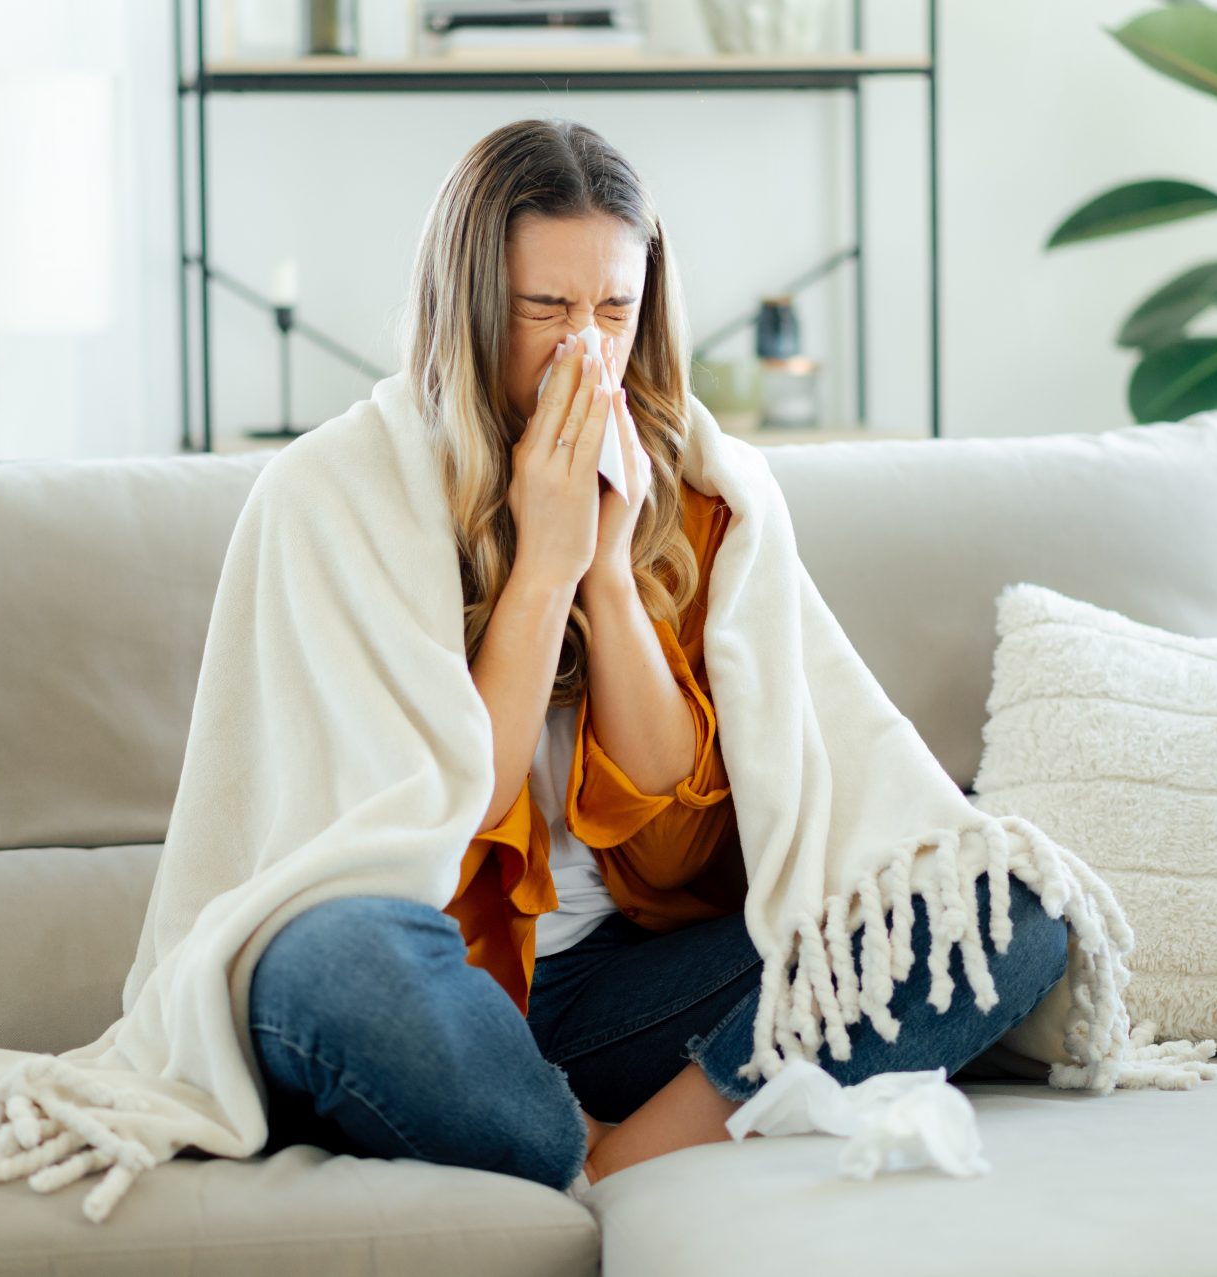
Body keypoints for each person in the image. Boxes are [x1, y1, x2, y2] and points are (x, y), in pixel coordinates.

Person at [244, 117, 1071, 1196]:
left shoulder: (698, 492)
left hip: (624, 992)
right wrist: (540, 566)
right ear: (471, 307)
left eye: (615, 311)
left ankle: (616, 1157)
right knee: (322, 967)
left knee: (1001, 905)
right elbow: (444, 820)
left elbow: (679, 854)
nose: (586, 348)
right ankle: (561, 1132)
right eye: (547, 310)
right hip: (435, 979)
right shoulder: (337, 495)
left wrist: (608, 572)